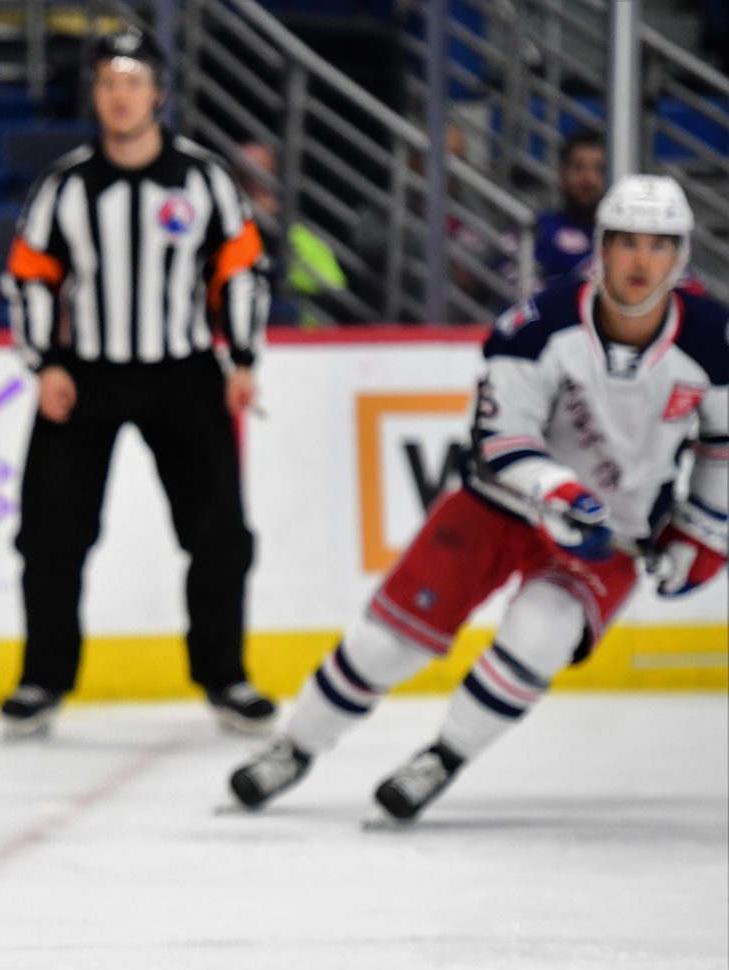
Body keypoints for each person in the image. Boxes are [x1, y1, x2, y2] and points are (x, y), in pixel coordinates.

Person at [229, 176, 724, 823]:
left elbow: (723, 442)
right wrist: (560, 493)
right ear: (601, 247)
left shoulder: (714, 340)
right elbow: (501, 437)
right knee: (387, 644)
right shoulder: (538, 323)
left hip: (614, 535)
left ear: (680, 254)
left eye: (658, 246)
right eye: (626, 242)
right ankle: (294, 748)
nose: (640, 261)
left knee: (541, 636)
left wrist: (705, 530)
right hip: (499, 507)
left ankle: (444, 756)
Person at [0, 29, 275, 738]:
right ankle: (42, 680)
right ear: (96, 96)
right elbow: (28, 274)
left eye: (134, 82)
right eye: (108, 83)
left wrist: (242, 359)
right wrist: (44, 363)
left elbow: (240, 266)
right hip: (84, 373)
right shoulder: (66, 185)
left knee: (218, 534)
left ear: (158, 93)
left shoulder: (205, 178)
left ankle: (226, 676)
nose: (121, 96)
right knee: (52, 531)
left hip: (184, 372)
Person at [234, 140, 347, 326]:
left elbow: (334, 286)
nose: (255, 186)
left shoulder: (299, 233)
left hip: (298, 332)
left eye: (263, 175)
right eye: (246, 176)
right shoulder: (222, 229)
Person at [533, 130, 606, 290]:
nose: (589, 179)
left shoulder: (619, 237)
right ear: (562, 174)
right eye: (578, 167)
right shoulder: (539, 229)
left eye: (599, 169)